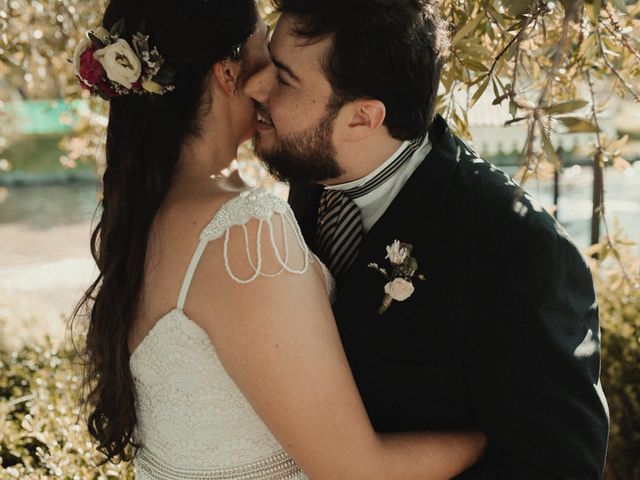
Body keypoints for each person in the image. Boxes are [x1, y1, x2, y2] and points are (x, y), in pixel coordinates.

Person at [72, 0, 487, 478]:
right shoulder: (244, 228)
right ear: (229, 74)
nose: (270, 79)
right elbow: (355, 470)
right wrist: (494, 435)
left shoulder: (143, 208)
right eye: (263, 50)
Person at [244, 0, 610, 478]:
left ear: (361, 119)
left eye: (284, 77)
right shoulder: (310, 178)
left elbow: (557, 466)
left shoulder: (519, 250)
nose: (256, 84)